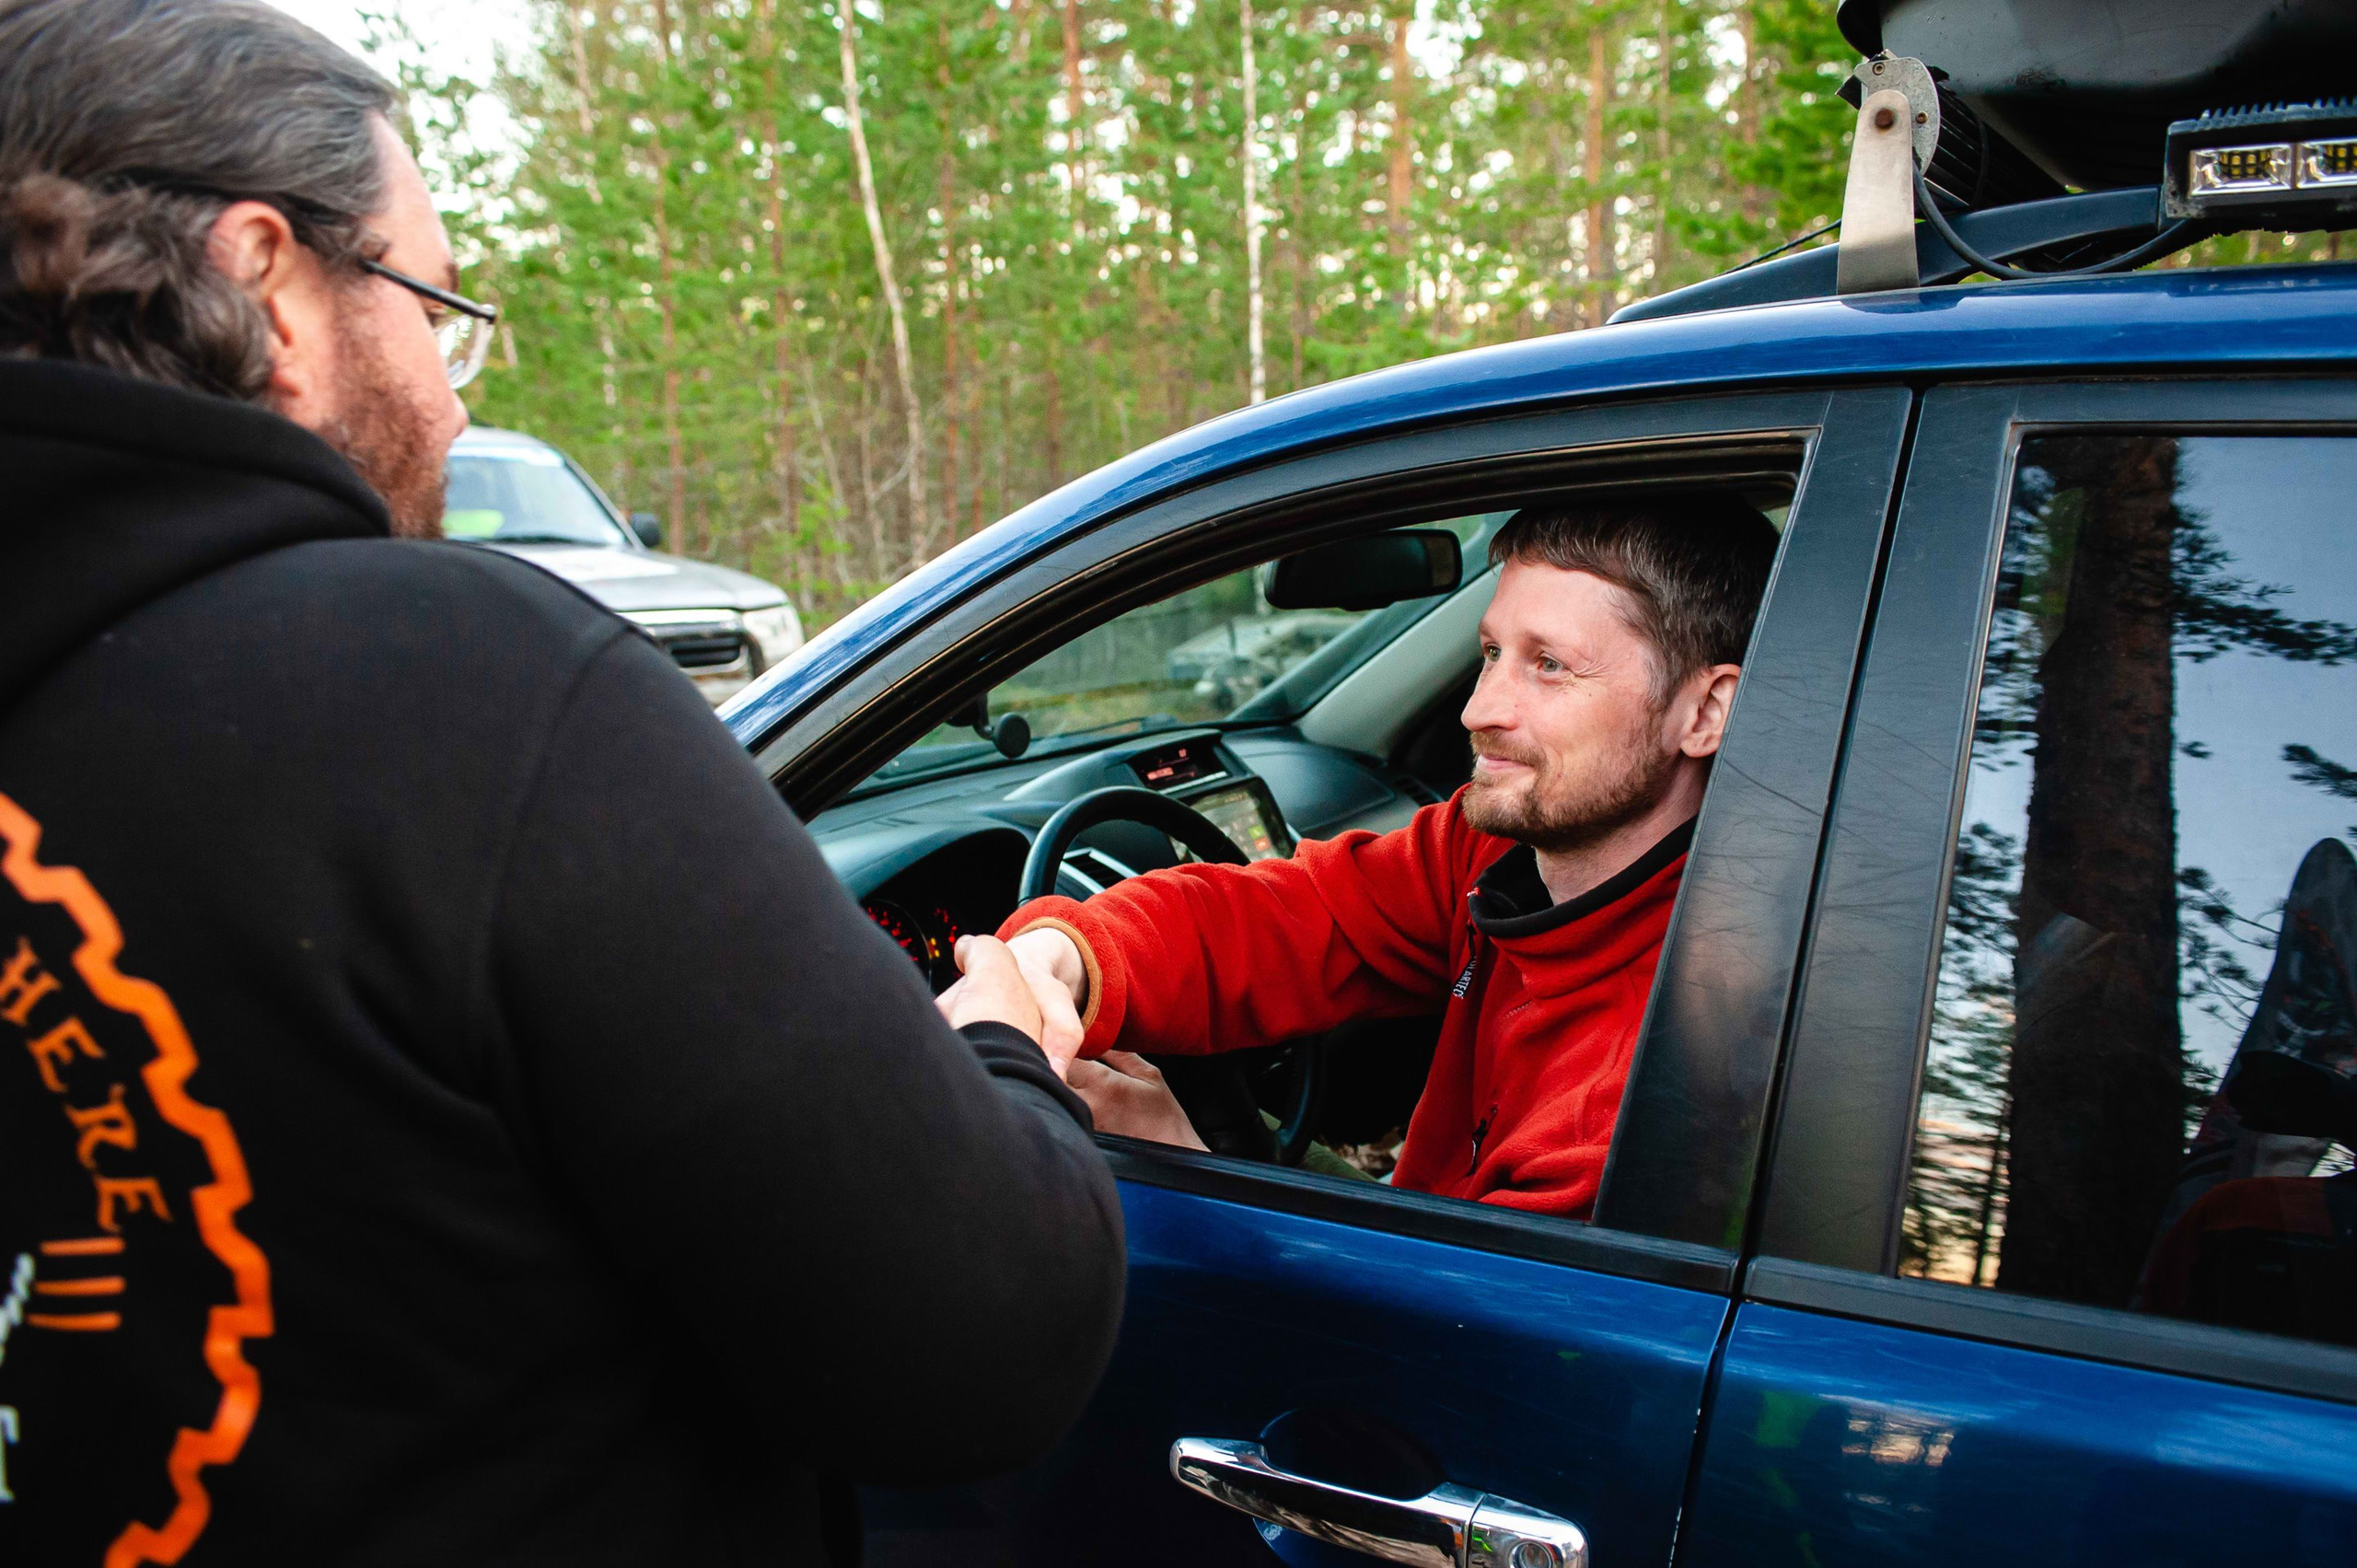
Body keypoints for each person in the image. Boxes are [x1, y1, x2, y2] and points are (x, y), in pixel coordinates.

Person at [0, 3, 1119, 1563]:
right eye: (431, 307)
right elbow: (982, 1341)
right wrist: (1002, 1049)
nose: (456, 399)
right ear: (265, 281)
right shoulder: (453, 687)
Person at [981, 498, 1777, 1217]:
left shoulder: (1638, 1094)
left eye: (1550, 665)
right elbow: (1294, 914)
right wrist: (1060, 958)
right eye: (1491, 652)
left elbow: (1453, 1329)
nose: (1479, 709)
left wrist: (1183, 1168)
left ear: (1704, 712)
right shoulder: (1493, 846)